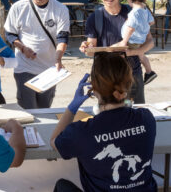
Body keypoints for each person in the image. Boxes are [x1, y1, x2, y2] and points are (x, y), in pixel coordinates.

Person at [51, 52, 157, 192]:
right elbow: (125, 106)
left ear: (93, 88)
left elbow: (54, 142)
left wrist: (72, 108)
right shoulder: (147, 118)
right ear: (129, 82)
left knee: (62, 186)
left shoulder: (81, 131)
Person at [80, 0, 154, 104]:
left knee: (134, 116)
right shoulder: (94, 18)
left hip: (132, 77)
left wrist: (132, 52)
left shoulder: (134, 12)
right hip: (106, 79)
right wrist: (87, 47)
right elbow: (91, 50)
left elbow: (150, 42)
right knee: (110, 120)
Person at [4, 0, 70, 109]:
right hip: (24, 67)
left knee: (45, 109)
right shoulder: (18, 8)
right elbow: (10, 34)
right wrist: (22, 48)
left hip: (49, 69)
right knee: (28, 110)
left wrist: (58, 60)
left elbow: (62, 38)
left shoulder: (60, 9)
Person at [111, 0, 157, 84]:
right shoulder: (145, 10)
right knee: (141, 55)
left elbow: (130, 28)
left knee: (113, 49)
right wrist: (143, 26)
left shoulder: (134, 13)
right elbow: (152, 21)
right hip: (140, 40)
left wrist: (124, 42)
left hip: (131, 40)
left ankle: (120, 75)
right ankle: (149, 72)